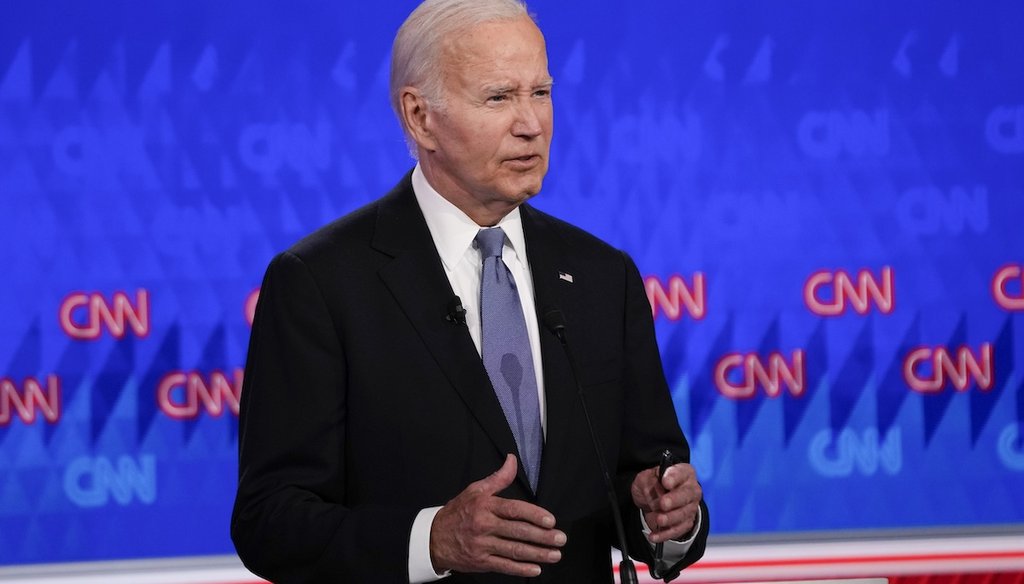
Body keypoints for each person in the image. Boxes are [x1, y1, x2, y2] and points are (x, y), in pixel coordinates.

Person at [230, 0, 709, 582]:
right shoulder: (321, 284)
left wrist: (669, 517)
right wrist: (430, 540)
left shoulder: (603, 276)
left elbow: (643, 481)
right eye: (499, 97)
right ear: (420, 117)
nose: (531, 123)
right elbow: (270, 520)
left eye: (541, 92)